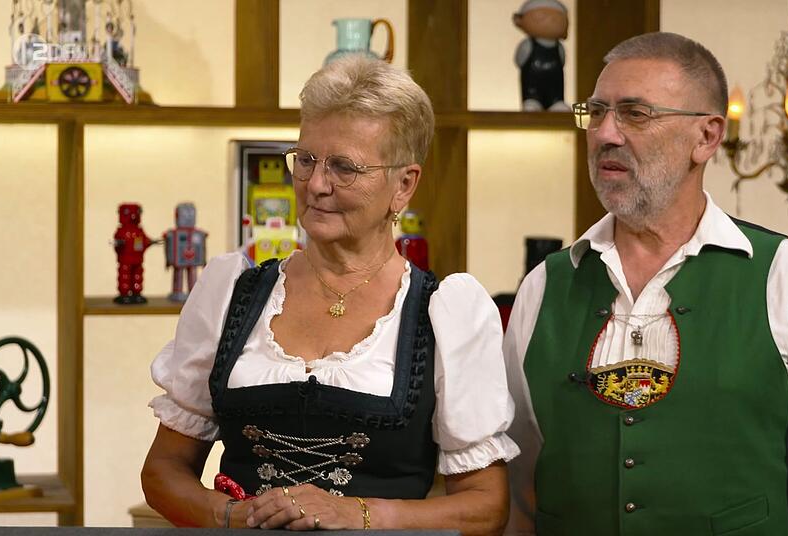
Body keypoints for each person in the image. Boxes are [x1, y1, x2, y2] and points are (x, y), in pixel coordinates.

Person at [503, 32, 788, 535]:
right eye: (597, 111)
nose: (606, 133)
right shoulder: (544, 286)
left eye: (635, 114)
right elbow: (518, 489)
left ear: (707, 137)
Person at [141, 55, 519, 533]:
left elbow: (486, 508)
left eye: (344, 167)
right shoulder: (231, 292)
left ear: (404, 185)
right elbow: (163, 471)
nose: (316, 185)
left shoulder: (446, 314)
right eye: (306, 160)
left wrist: (361, 514)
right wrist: (233, 515)